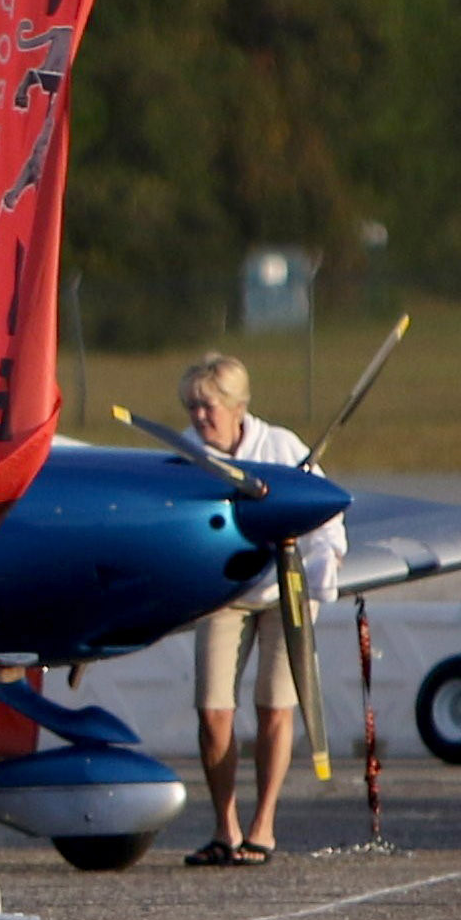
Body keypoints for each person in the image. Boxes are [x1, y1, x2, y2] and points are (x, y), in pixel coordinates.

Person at [179, 353, 347, 866]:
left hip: (284, 591)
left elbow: (325, 514)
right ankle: (223, 826)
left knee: (275, 708)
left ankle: (263, 826)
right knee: (213, 713)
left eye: (207, 407)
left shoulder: (282, 447)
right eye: (191, 407)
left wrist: (319, 572)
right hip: (222, 593)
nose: (198, 418)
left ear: (237, 407)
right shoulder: (184, 455)